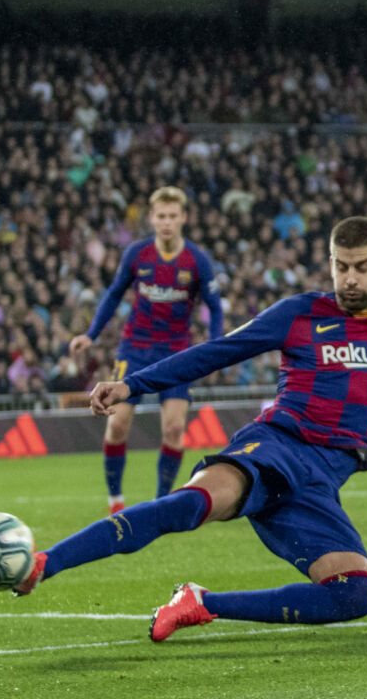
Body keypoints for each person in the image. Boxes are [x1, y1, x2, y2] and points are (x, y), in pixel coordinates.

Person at [10, 162, 367, 643]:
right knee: (190, 506)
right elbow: (214, 352)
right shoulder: (298, 314)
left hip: (323, 477)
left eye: (362, 268)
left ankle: (203, 603)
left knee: (356, 595)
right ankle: (44, 563)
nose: (350, 279)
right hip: (276, 447)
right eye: (341, 267)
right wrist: (132, 386)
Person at [70, 186, 224, 514]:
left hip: (176, 352)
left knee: (173, 428)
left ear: (183, 218)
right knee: (118, 424)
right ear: (152, 219)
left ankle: (160, 502)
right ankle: (115, 501)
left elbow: (215, 306)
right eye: (161, 216)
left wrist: (216, 346)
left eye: (172, 216)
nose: (166, 222)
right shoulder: (137, 255)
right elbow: (113, 294)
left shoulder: (197, 260)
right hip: (135, 350)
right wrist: (91, 334)